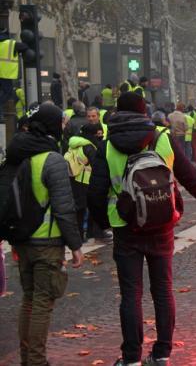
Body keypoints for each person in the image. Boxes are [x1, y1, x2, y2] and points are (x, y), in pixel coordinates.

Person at [87, 92, 196, 366]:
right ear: (145, 111)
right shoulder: (162, 137)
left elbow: (95, 194)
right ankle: (162, 353)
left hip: (126, 226)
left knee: (131, 294)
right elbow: (192, 178)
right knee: (163, 290)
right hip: (162, 222)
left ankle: (131, 358)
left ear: (117, 112)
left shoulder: (107, 145)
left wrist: (105, 222)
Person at [5, 103, 83, 365]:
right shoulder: (52, 160)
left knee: (28, 300)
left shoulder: (20, 154)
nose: (64, 127)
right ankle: (36, 361)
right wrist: (75, 245)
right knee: (42, 303)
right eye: (61, 123)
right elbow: (63, 207)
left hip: (21, 239)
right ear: (52, 126)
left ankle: (28, 358)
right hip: (46, 242)